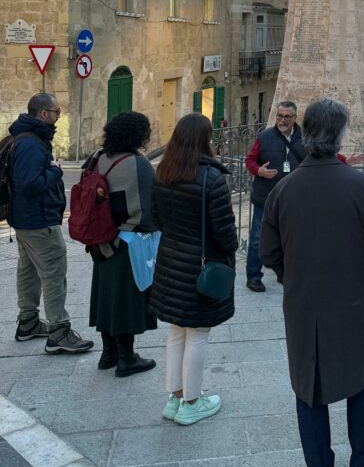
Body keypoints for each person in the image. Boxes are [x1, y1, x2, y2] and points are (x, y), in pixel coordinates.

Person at [260, 97, 364, 467]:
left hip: (304, 304)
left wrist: (294, 280)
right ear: (339, 136)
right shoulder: (361, 186)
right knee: (361, 376)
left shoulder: (284, 191)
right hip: (355, 301)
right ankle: (363, 460)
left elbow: (269, 253)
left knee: (308, 384)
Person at [151, 113, 238, 425]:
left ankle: (174, 398)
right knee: (198, 333)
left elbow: (156, 218)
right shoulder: (211, 179)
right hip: (200, 265)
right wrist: (230, 251)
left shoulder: (162, 172)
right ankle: (192, 402)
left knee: (176, 331)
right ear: (205, 139)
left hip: (170, 262)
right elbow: (225, 232)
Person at [8, 93, 94, 354]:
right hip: (38, 219)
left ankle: (28, 323)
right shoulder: (32, 145)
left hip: (25, 219)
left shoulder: (24, 138)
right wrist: (55, 170)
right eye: (57, 112)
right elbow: (29, 184)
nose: (59, 116)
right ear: (43, 114)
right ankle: (58, 331)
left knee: (29, 270)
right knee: (54, 272)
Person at [87, 112, 158, 377]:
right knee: (126, 300)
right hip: (126, 241)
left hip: (99, 239)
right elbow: (147, 209)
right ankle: (127, 358)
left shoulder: (98, 157)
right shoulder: (137, 164)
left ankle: (108, 353)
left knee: (105, 296)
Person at [244, 101, 305, 293]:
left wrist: (345, 160)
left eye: (287, 117)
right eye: (279, 116)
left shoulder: (306, 138)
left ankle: (284, 274)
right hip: (266, 197)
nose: (282, 120)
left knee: (290, 239)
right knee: (257, 239)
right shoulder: (264, 137)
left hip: (293, 198)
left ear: (295, 118)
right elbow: (250, 160)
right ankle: (253, 276)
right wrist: (258, 171)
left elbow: (320, 156)